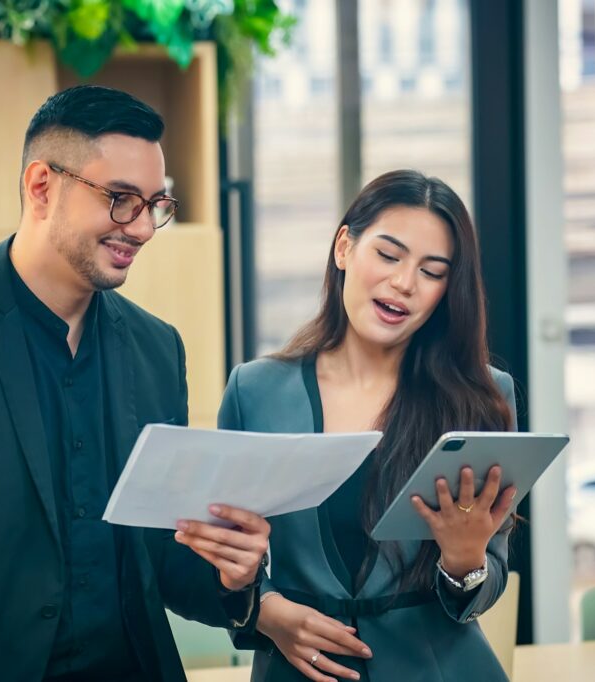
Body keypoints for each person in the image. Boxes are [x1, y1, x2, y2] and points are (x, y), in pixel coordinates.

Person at [0, 85, 270, 682]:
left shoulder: (156, 348)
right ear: (42, 186)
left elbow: (161, 564)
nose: (140, 228)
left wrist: (231, 574)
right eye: (120, 199)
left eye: (154, 204)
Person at [220, 170, 518, 682]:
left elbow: (486, 579)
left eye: (433, 270)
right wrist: (264, 611)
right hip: (297, 670)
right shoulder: (256, 391)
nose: (404, 283)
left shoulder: (483, 396)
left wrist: (465, 560)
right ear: (344, 248)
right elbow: (219, 552)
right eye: (388, 255)